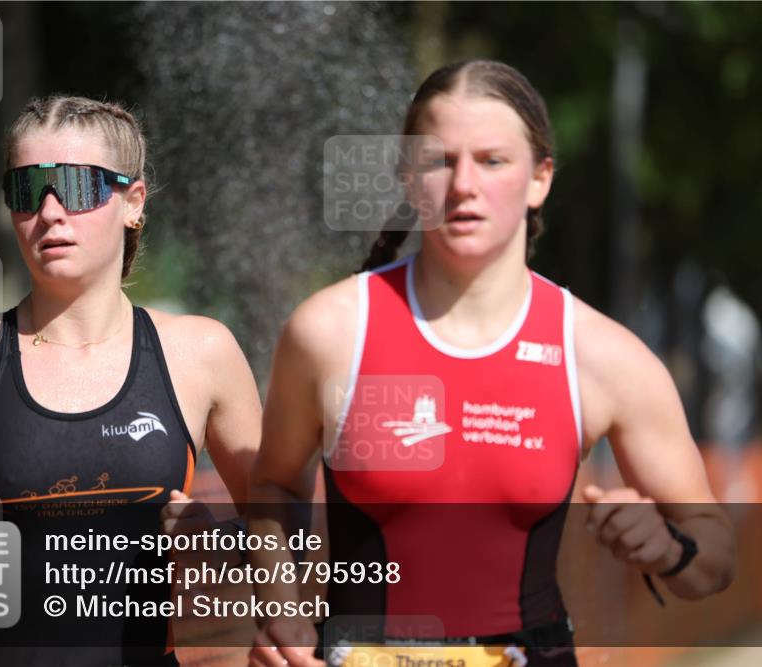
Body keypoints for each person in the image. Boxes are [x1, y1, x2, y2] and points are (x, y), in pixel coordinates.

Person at [247, 60, 736, 667]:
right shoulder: (331, 331)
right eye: (439, 160)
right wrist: (279, 605)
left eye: (493, 160)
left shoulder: (602, 356)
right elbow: (273, 485)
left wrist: (666, 549)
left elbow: (715, 561)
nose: (463, 186)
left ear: (540, 179)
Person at [0, 96, 262, 667]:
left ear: (133, 202)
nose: (49, 212)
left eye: (75, 186)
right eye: (27, 190)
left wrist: (225, 550)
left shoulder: (202, 352)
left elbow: (285, 524)